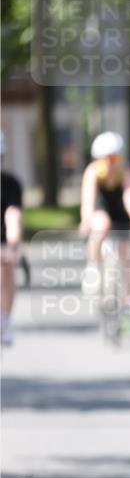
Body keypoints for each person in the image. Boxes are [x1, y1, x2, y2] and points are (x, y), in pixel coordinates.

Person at [79, 131, 130, 308]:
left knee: (125, 255)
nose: (109, 164)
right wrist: (86, 220)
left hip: (120, 213)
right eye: (105, 160)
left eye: (114, 159)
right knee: (101, 225)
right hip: (102, 210)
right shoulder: (93, 173)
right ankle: (93, 266)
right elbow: (88, 199)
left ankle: (128, 301)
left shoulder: (125, 171)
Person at [1, 132, 24, 347]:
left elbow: (13, 217)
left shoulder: (10, 184)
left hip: (2, 240)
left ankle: (4, 320)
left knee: (6, 266)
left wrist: (12, 246)